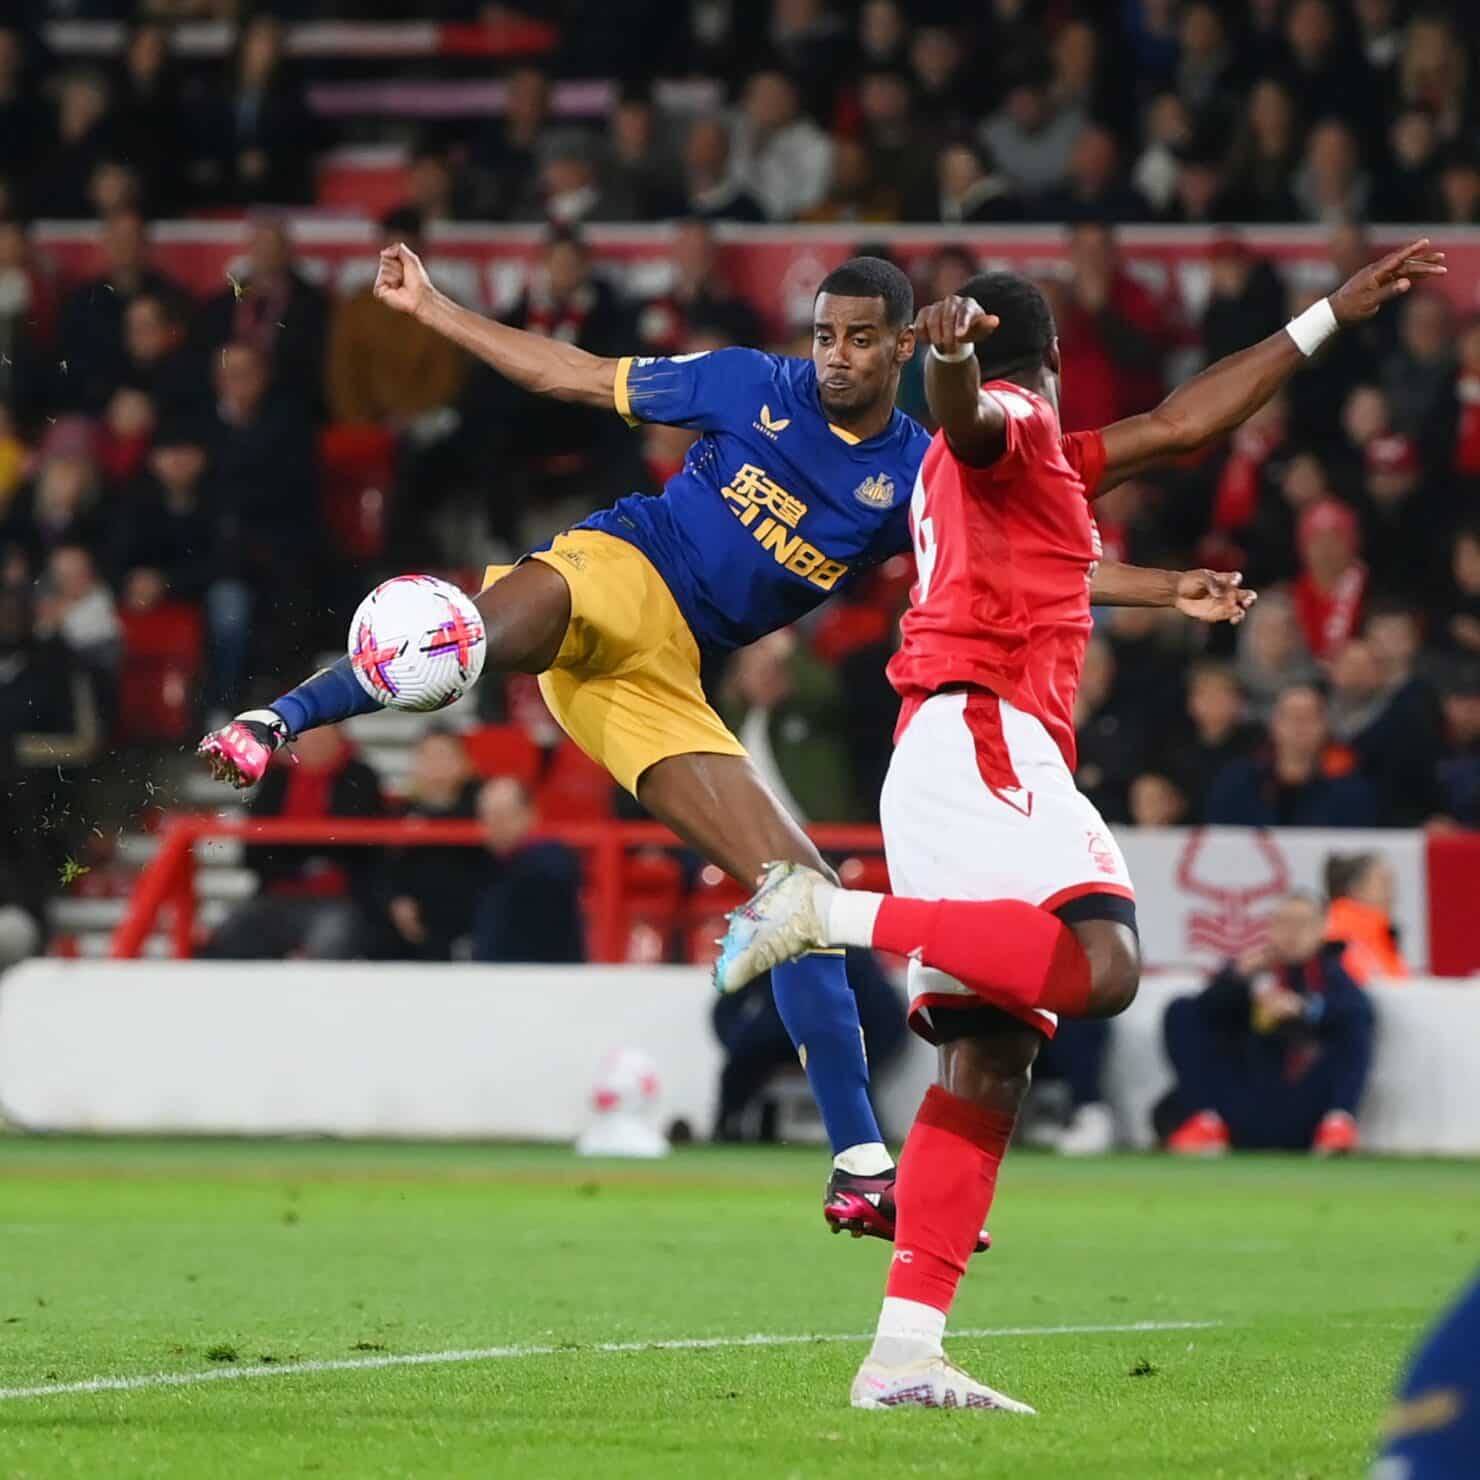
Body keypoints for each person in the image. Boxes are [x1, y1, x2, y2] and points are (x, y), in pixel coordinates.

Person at [199, 250, 1219, 1246]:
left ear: (904, 347)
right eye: (824, 335)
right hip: (611, 574)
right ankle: (272, 721)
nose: (835, 356)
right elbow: (570, 373)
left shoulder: (917, 469)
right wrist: (434, 309)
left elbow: (1026, 558)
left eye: (860, 339)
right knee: (459, 638)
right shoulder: (747, 384)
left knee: (799, 895)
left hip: (661, 679)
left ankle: (861, 1166)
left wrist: (1166, 588)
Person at [713, 237, 1440, 1410]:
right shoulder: (1014, 416)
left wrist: (1166, 584)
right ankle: (825, 912)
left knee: (990, 1060)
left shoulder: (1039, 467)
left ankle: (902, 1353)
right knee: (1104, 965)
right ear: (1047, 358)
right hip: (984, 732)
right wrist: (952, 363)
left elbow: (1178, 426)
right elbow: (978, 418)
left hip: (952, 744)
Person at [1156, 890, 1374, 1156]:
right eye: (1283, 923)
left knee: (1355, 1023)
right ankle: (1207, 1122)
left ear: (1321, 930)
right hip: (1243, 1102)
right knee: (1181, 1010)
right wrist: (1236, 979)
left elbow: (1357, 1011)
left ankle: (1338, 1124)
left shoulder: (1332, 975)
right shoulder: (1253, 969)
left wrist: (1304, 1009)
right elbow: (1203, 1012)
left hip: (1306, 1108)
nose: (1291, 933)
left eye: (1301, 923)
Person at [203, 725, 386, 961]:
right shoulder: (275, 779)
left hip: (340, 898)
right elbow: (254, 850)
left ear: (339, 738)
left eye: (323, 735)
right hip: (277, 894)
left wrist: (297, 853)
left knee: (332, 942)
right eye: (309, 736)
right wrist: (308, 861)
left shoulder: (360, 778)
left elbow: (364, 849)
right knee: (230, 936)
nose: (315, 743)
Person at [1205, 683, 1380, 829]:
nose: (1299, 725)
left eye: (1309, 717)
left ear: (1324, 727)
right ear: (1274, 725)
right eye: (1291, 716)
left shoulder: (1351, 792)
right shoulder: (1237, 783)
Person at [380, 729, 480, 962]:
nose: (437, 765)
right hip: (410, 927)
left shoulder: (482, 810)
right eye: (429, 756)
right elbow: (385, 871)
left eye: (445, 755)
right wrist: (396, 901)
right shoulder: (398, 814)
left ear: (464, 762)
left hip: (468, 922)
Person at [469, 776, 584, 964]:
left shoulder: (552, 859)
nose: (495, 825)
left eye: (503, 815)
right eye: (487, 816)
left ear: (530, 814)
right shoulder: (486, 863)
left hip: (546, 974)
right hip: (496, 974)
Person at [1323, 851, 1409, 984]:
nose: (1392, 893)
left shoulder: (1379, 930)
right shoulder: (1340, 930)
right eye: (1384, 883)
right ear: (1355, 888)